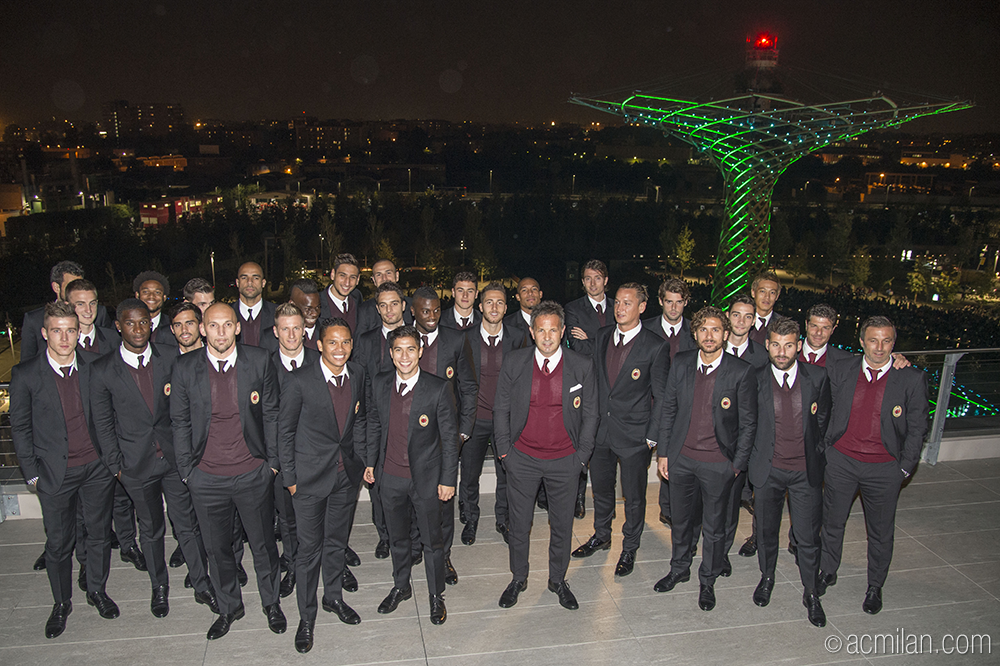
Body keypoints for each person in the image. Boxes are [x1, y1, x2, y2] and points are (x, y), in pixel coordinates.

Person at [90, 299, 219, 619]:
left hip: (174, 461)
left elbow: (187, 410)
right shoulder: (102, 369)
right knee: (150, 530)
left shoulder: (172, 359)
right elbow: (103, 424)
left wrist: (188, 455)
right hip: (135, 466)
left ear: (151, 324)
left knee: (187, 525)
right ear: (118, 325)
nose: (138, 329)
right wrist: (117, 467)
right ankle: (159, 587)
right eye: (130, 323)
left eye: (143, 322)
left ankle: (203, 586)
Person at [170, 303, 285, 640]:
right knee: (217, 550)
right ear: (203, 329)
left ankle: (271, 603)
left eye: (226, 325)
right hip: (205, 478)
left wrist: (272, 464)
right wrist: (188, 472)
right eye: (213, 325)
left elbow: (272, 414)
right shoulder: (184, 367)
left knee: (263, 545)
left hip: (253, 473)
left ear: (237, 327)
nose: (220, 332)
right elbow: (179, 422)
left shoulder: (259, 360)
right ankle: (229, 607)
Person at [10, 301, 119, 638]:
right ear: (45, 333)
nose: (64, 337)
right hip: (54, 473)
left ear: (78, 332)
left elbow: (109, 415)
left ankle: (97, 590)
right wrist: (31, 474)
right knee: (59, 543)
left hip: (96, 468)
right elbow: (20, 428)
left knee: (99, 534)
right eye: (56, 330)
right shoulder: (26, 374)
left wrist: (111, 462)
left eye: (70, 330)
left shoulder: (95, 366)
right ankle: (61, 603)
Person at [818, 315, 929, 615]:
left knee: (880, 532)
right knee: (832, 522)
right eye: (873, 340)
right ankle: (827, 571)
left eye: (887, 341)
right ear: (861, 341)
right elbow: (821, 405)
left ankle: (875, 586)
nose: (879, 347)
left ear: (894, 343)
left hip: (884, 468)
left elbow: (918, 427)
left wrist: (904, 468)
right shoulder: (842, 368)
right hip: (841, 461)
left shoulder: (911, 378)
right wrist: (826, 451)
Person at [493, 301, 598, 611]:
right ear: (532, 331)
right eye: (541, 330)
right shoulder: (514, 362)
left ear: (563, 331)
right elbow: (501, 408)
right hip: (521, 458)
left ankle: (557, 580)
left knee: (562, 525)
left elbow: (591, 414)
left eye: (554, 330)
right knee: (519, 523)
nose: (548, 336)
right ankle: (518, 578)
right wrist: (504, 452)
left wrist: (582, 457)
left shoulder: (582, 365)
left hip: (566, 460)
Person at [653, 306, 756, 612]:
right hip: (682, 459)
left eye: (715, 330)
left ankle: (707, 580)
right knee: (682, 521)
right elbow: (668, 409)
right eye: (703, 329)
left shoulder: (741, 371)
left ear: (725, 333)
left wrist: (736, 465)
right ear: (695, 333)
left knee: (714, 526)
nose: (709, 336)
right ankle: (679, 568)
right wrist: (664, 453)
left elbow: (749, 423)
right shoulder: (682, 362)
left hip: (718, 463)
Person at [278, 317, 367, 653]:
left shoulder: (357, 374)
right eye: (332, 342)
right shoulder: (299, 381)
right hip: (308, 481)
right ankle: (306, 616)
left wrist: (360, 462)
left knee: (335, 543)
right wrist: (291, 481)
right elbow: (284, 433)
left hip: (346, 478)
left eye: (345, 342)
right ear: (319, 344)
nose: (340, 349)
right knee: (307, 552)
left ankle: (333, 598)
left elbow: (358, 421)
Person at [572, 283, 669, 577]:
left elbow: (663, 396)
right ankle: (601, 535)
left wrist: (652, 436)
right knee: (601, 490)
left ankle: (630, 547)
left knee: (634, 496)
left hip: (635, 435)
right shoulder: (602, 336)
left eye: (628, 303)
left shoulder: (655, 345)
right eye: (618, 302)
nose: (620, 307)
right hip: (601, 430)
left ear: (642, 307)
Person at [364, 326, 459, 626]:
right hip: (389, 477)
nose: (405, 356)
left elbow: (449, 438)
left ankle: (436, 596)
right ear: (391, 354)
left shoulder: (437, 387)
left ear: (420, 351)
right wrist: (370, 462)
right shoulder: (379, 384)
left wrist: (447, 479)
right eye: (398, 350)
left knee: (432, 542)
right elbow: (375, 424)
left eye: (411, 349)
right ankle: (401, 586)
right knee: (397, 538)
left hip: (427, 481)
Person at [747, 317, 830, 627]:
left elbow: (823, 421)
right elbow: (748, 423)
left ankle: (811, 594)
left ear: (799, 346)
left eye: (789, 345)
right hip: (767, 472)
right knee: (766, 533)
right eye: (776, 345)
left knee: (808, 537)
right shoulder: (754, 378)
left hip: (804, 473)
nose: (782, 352)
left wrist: (816, 456)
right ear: (768, 345)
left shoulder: (818, 378)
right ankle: (767, 578)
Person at [411, 286, 477, 585]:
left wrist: (464, 429)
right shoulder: (402, 340)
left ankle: (444, 554)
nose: (432, 316)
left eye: (437, 310)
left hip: (444, 436)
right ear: (413, 311)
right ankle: (414, 545)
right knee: (410, 495)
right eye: (425, 311)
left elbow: (469, 387)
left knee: (443, 498)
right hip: (408, 435)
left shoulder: (455, 339)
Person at [458, 282, 527, 545]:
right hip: (475, 419)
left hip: (505, 421)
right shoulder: (465, 338)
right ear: (480, 306)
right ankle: (471, 518)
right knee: (470, 475)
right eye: (489, 302)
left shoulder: (517, 337)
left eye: (499, 302)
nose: (494, 307)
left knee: (505, 475)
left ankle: (503, 519)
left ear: (506, 307)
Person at [354, 282, 408, 559]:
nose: (389, 310)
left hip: (409, 423)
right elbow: (360, 383)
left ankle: (410, 536)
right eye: (383, 305)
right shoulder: (365, 340)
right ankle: (385, 536)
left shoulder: (416, 336)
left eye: (394, 303)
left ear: (403, 305)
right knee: (377, 485)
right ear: (377, 309)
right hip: (375, 422)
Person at [643, 277, 696, 527]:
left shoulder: (696, 333)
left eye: (679, 302)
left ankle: (669, 508)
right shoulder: (646, 329)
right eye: (669, 302)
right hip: (649, 406)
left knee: (673, 456)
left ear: (685, 303)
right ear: (661, 301)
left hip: (683, 407)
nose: (673, 308)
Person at [724, 293, 769, 559]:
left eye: (748, 316)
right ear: (728, 316)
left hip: (751, 438)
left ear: (754, 322)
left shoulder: (763, 356)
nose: (742, 321)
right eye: (737, 314)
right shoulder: (711, 347)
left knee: (757, 492)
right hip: (717, 437)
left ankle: (754, 537)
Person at [20, 261, 112, 361]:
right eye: (72, 285)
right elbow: (26, 363)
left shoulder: (98, 312)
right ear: (56, 287)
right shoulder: (35, 320)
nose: (77, 289)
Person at [564, 259, 613, 357]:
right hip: (588, 369)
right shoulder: (573, 309)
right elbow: (577, 346)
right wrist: (610, 346)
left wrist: (589, 339)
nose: (592, 283)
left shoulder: (617, 307)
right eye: (588, 279)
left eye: (597, 278)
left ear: (605, 280)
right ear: (583, 282)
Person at [354, 258, 414, 334]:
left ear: (397, 276)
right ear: (374, 280)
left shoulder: (414, 305)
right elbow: (360, 343)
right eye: (379, 274)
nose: (384, 278)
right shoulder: (364, 310)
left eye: (388, 273)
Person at [66, 279, 119, 356]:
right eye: (81, 304)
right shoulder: (62, 343)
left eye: (92, 303)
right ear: (67, 306)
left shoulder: (115, 339)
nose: (88, 310)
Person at [234, 262, 275, 347]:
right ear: (237, 282)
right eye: (244, 277)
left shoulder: (277, 314)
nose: (249, 282)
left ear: (263, 283)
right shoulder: (227, 314)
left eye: (255, 278)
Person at [799, 304, 853, 368]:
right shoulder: (787, 352)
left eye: (825, 328)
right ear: (806, 325)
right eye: (814, 326)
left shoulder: (845, 361)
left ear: (833, 329)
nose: (819, 332)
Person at [320, 253, 362, 331]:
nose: (347, 282)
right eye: (342, 275)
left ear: (358, 280)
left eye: (352, 277)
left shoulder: (357, 297)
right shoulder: (317, 304)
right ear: (333, 274)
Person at [134, 271, 176, 345]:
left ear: (164, 297)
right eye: (146, 292)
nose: (151, 296)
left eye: (157, 292)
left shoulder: (173, 325)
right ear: (137, 295)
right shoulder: (124, 326)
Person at [503, 277, 542, 343]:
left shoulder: (554, 321)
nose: (530, 293)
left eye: (534, 289)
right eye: (524, 290)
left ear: (540, 294)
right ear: (518, 297)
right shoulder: (506, 325)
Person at [748, 271, 782, 345]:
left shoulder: (782, 324)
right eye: (762, 291)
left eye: (772, 292)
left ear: (777, 296)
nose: (767, 297)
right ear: (753, 292)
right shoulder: (739, 321)